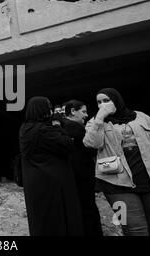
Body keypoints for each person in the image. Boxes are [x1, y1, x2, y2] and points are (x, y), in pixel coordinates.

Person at [83, 88, 150, 236]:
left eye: (106, 100)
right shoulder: (94, 122)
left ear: (117, 100)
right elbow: (91, 144)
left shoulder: (142, 117)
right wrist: (100, 118)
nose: (103, 104)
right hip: (116, 186)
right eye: (99, 102)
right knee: (134, 231)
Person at [19, 96, 84, 236]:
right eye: (48, 107)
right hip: (52, 182)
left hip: (34, 182)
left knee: (41, 218)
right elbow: (67, 145)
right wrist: (57, 125)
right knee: (57, 218)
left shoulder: (24, 129)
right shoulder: (44, 130)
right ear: (43, 109)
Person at [62, 100, 103, 236]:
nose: (86, 115)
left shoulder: (58, 127)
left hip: (68, 174)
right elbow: (91, 149)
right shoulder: (76, 128)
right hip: (82, 174)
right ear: (73, 111)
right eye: (83, 112)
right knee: (88, 207)